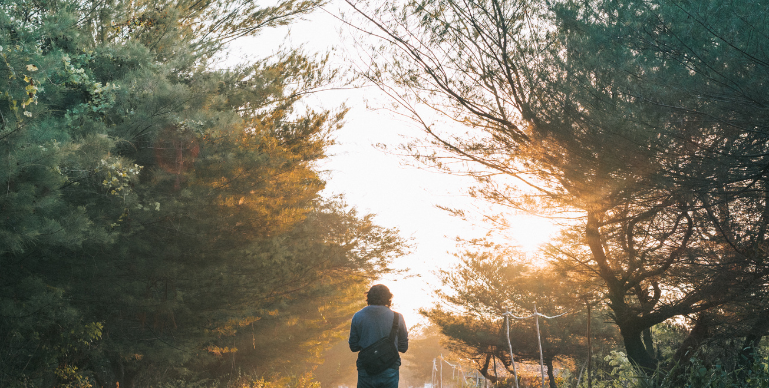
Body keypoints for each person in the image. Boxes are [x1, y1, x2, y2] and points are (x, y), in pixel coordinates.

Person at [349, 284, 409, 388]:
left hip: (366, 368)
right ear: (388, 298)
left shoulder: (358, 316)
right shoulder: (397, 318)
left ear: (368, 297)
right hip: (390, 368)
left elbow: (353, 347)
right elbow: (403, 347)